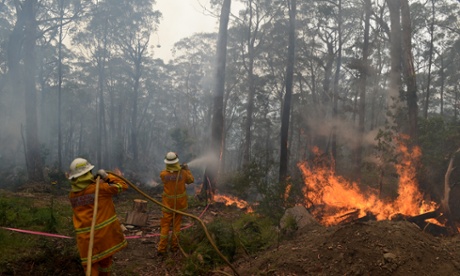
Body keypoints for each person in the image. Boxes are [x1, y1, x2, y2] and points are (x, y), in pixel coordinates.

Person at [67, 157, 128, 275]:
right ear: (88, 173)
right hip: (103, 237)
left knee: (90, 267)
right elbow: (122, 185)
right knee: (105, 265)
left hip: (85, 240)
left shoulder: (72, 195)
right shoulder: (100, 189)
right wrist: (106, 177)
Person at [157, 152, 194, 256]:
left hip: (167, 206)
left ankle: (162, 249)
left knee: (165, 226)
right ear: (176, 162)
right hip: (180, 205)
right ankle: (174, 247)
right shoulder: (183, 173)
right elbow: (191, 180)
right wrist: (186, 169)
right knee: (176, 227)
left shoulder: (163, 174)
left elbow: (166, 175)